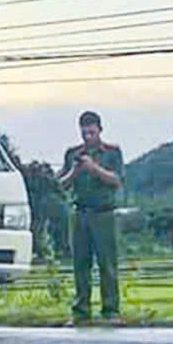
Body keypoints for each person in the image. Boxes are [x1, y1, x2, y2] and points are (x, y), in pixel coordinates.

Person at [60, 109, 124, 323]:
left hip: (103, 214)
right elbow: (61, 185)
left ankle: (111, 310)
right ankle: (81, 312)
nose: (88, 137)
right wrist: (76, 170)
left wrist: (93, 168)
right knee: (80, 264)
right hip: (80, 213)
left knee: (107, 263)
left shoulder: (112, 152)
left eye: (91, 132)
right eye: (84, 133)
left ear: (99, 130)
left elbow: (116, 180)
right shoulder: (72, 154)